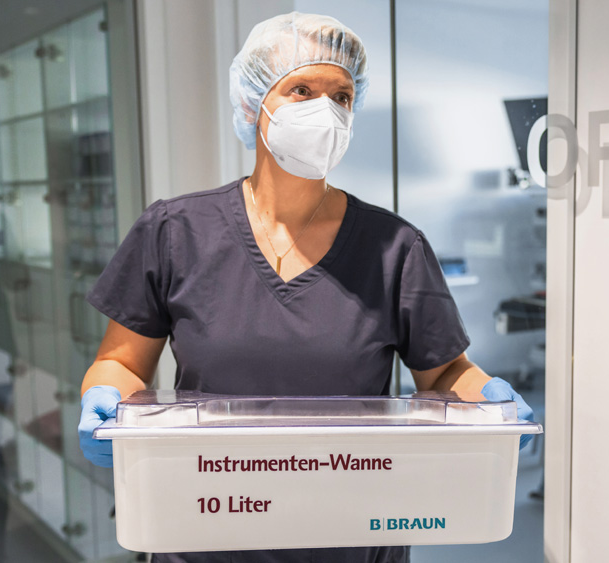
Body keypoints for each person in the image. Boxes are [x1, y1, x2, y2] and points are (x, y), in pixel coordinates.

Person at [76, 11, 534, 563]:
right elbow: (122, 363)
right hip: (205, 528)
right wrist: (104, 400)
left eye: (341, 95)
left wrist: (486, 401)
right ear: (254, 104)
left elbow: (443, 372)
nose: (326, 109)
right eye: (302, 89)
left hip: (351, 533)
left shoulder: (395, 246)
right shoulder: (175, 232)